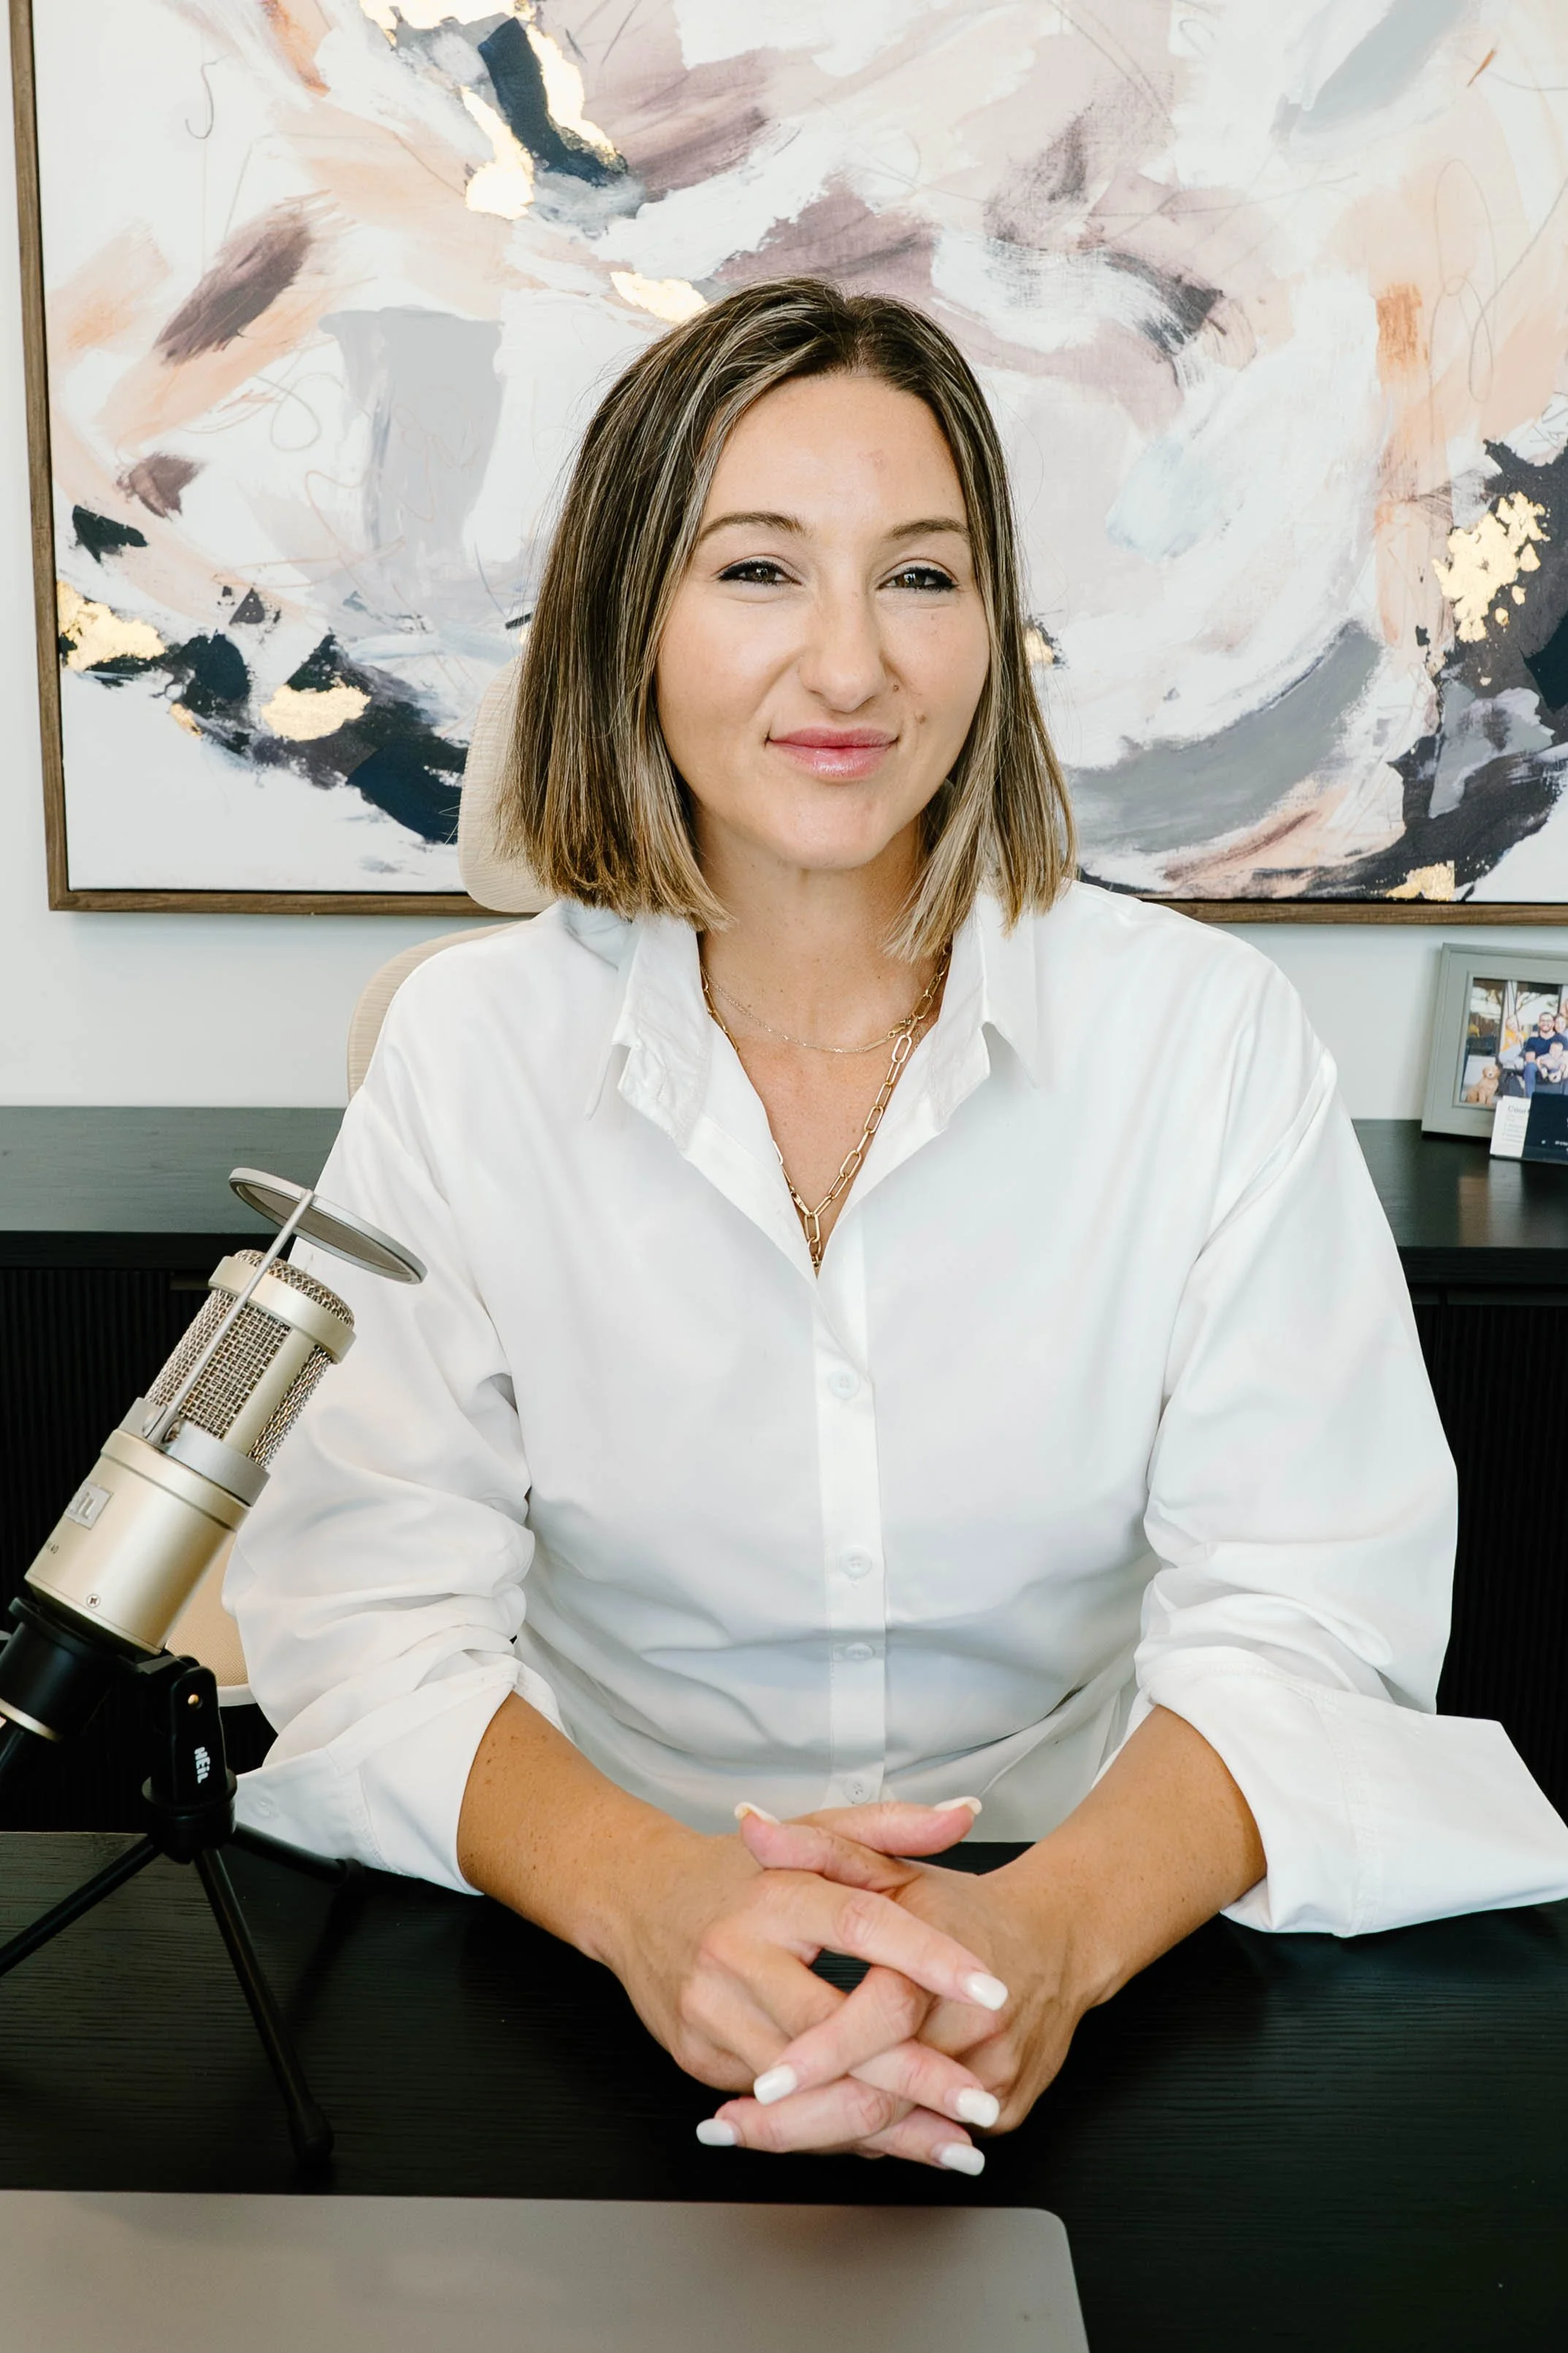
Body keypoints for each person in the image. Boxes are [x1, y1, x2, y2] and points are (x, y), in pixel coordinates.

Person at [228, 279, 1568, 2176]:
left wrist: (1043, 1933)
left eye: (921, 578)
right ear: (634, 616)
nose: (850, 666)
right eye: (760, 570)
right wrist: (646, 1897)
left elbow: (1309, 1614)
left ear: (996, 628)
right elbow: (363, 1616)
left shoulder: (1201, 1044)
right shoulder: (470, 1052)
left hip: (1094, 1936)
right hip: (581, 1941)